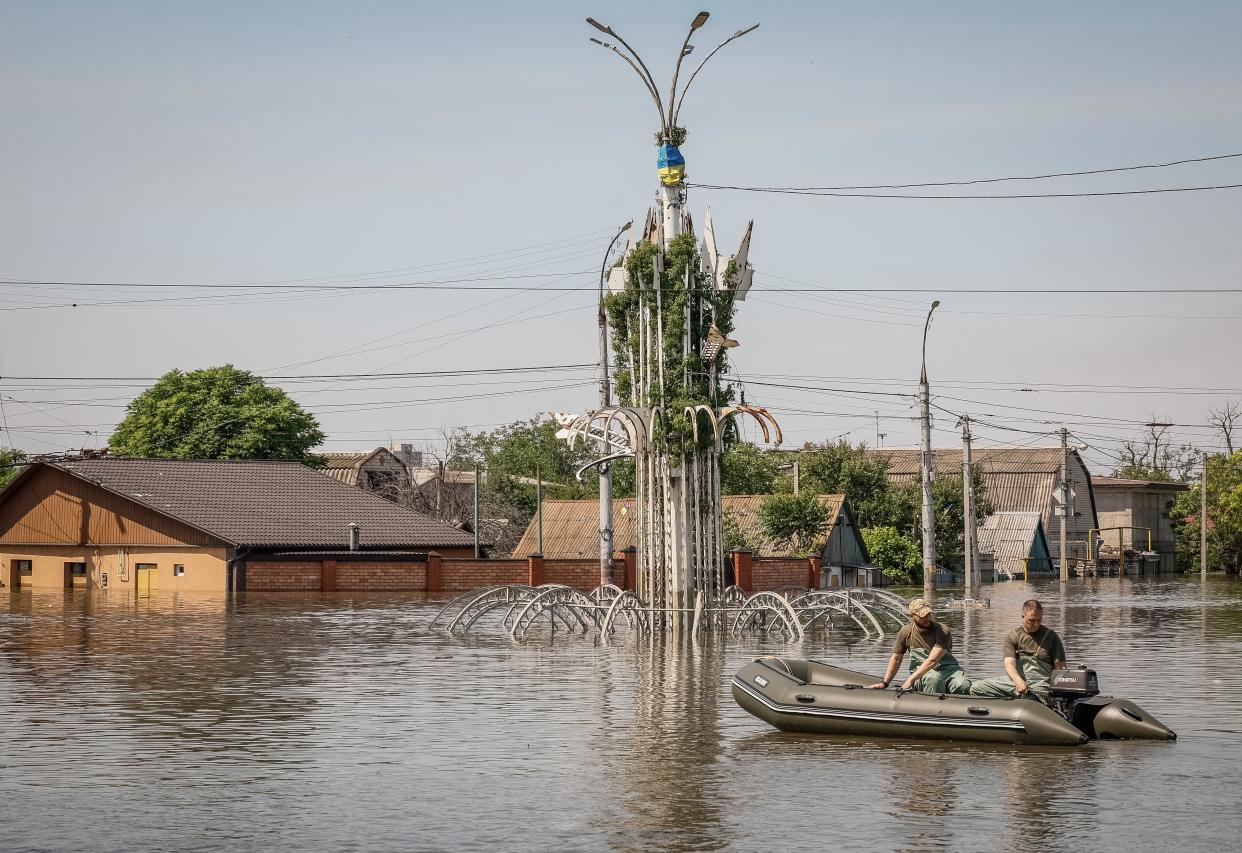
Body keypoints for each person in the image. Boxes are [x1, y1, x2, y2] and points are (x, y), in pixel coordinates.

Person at [969, 599, 1067, 703]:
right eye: (1032, 620)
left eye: (1039, 620)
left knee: (1031, 697)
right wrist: (1018, 681)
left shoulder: (1052, 636)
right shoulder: (1013, 636)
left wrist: (1061, 691)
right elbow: (1009, 663)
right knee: (976, 688)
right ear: (1023, 617)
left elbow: (1061, 668)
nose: (1036, 624)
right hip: (1015, 681)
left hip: (1041, 684)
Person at [867, 598, 972, 694]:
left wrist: (909, 680)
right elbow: (896, 658)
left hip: (948, 670)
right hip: (922, 674)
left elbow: (932, 660)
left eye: (929, 614)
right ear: (912, 616)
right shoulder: (906, 632)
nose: (927, 618)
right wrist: (884, 683)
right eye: (922, 616)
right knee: (934, 679)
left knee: (963, 684)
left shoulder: (942, 630)